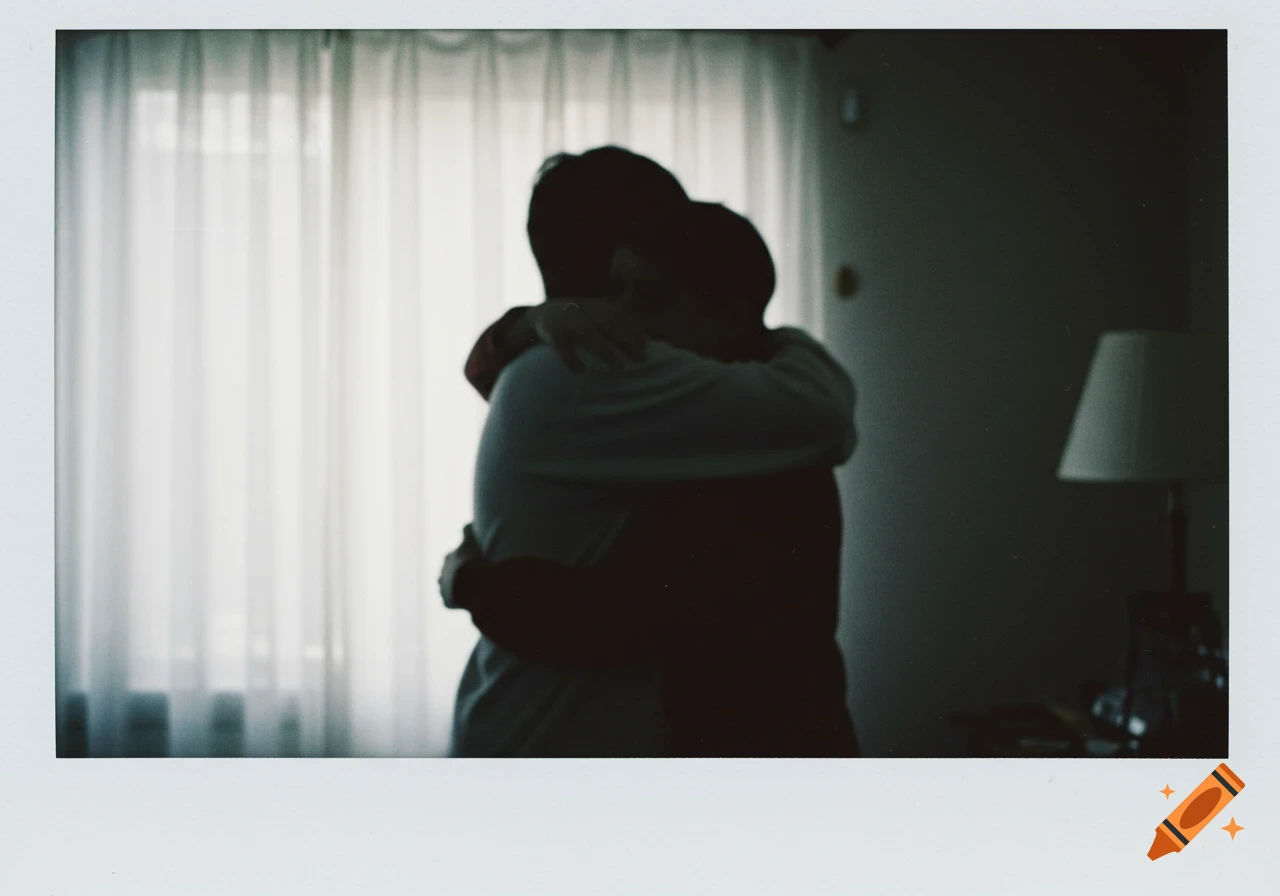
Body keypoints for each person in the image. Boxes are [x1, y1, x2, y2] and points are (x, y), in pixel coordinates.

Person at [448, 147, 856, 757]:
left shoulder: (566, 367)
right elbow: (825, 408)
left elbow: (629, 611)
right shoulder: (598, 368)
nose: (683, 236)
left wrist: (477, 585)